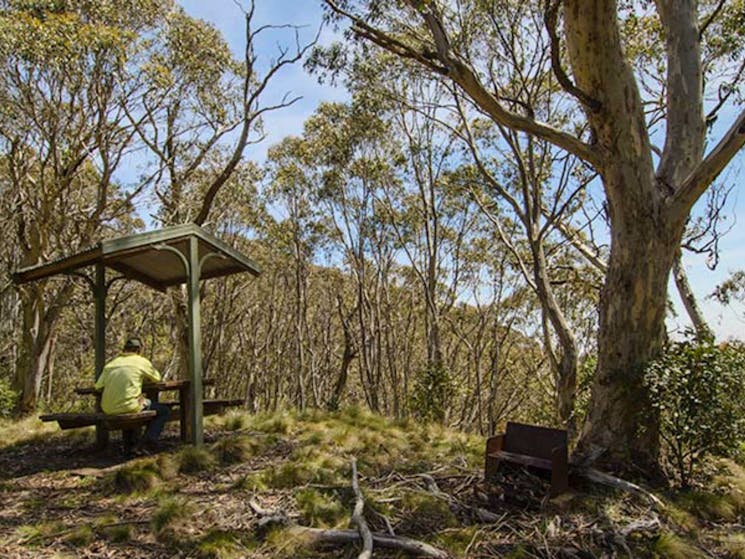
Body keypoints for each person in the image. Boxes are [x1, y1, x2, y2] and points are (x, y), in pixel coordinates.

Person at [95, 337, 170, 454]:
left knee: (134, 404)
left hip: (108, 408)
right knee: (164, 411)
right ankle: (148, 442)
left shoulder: (110, 364)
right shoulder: (141, 362)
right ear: (139, 350)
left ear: (124, 349)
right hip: (130, 406)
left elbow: (98, 386)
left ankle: (130, 446)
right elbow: (157, 378)